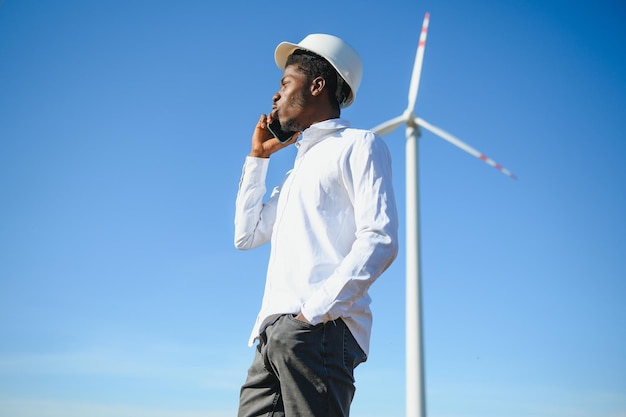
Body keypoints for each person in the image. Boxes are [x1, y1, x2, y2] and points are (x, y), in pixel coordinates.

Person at [234, 33, 399, 417]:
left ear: (317, 85)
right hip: (272, 336)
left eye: (285, 83)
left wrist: (312, 314)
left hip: (319, 330)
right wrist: (258, 158)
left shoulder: (360, 145)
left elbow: (380, 239)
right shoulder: (296, 171)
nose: (275, 96)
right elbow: (246, 235)